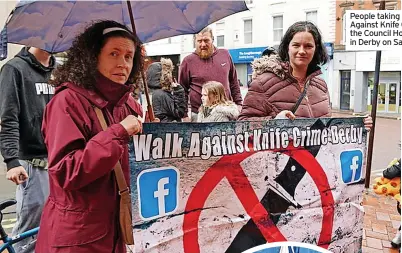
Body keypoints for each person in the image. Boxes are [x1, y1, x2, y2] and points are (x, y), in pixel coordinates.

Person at [35, 20, 144, 252]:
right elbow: (66, 171)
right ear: (92, 56)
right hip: (77, 239)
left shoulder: (130, 105)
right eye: (113, 53)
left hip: (116, 231)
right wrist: (118, 133)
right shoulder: (66, 102)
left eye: (128, 56)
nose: (122, 63)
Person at [238, 21, 373, 130]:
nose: (302, 51)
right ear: (287, 48)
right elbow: (241, 126)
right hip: (279, 161)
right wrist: (274, 122)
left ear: (316, 49)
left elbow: (327, 128)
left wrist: (358, 126)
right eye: (296, 45)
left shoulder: (321, 85)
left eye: (308, 46)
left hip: (314, 162)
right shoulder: (263, 83)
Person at [0, 46, 55, 253]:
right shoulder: (14, 69)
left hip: (57, 160)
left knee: (53, 228)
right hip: (32, 164)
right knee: (29, 235)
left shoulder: (56, 72)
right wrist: (12, 160)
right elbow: (8, 118)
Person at [179, 27, 243, 122]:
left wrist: (239, 104)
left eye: (206, 40)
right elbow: (182, 90)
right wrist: (184, 115)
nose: (203, 44)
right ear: (195, 41)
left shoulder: (225, 55)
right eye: (199, 41)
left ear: (212, 39)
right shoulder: (188, 61)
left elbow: (234, 82)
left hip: (225, 113)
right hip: (200, 115)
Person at [149, 58, 186, 122]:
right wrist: (179, 91)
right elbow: (179, 112)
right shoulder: (162, 94)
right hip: (169, 128)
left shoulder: (157, 93)